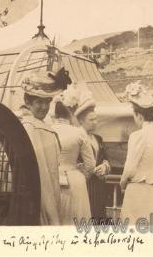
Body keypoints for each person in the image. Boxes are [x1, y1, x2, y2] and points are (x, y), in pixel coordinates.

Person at [20, 68, 71, 225]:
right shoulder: (32, 127)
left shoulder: (39, 125)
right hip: (38, 199)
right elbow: (42, 173)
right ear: (28, 102)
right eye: (38, 102)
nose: (43, 107)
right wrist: (51, 215)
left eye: (46, 102)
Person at [120, 81, 153, 224]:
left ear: (139, 115)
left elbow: (129, 169)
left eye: (134, 114)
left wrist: (122, 184)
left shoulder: (137, 136)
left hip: (138, 192)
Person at [52, 84, 96, 225]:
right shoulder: (78, 133)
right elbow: (91, 165)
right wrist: (80, 171)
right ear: (71, 112)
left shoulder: (48, 130)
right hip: (74, 180)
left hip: (51, 180)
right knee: (75, 222)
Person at [75, 90, 111, 223]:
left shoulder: (98, 138)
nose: (95, 122)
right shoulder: (76, 137)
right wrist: (84, 168)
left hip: (99, 186)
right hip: (84, 186)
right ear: (81, 120)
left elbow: (106, 158)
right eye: (91, 120)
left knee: (98, 216)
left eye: (96, 119)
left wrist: (105, 166)